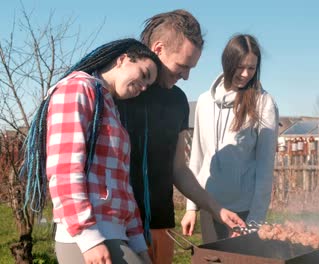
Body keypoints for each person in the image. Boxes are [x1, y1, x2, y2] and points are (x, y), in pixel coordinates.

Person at [116, 10, 245, 264]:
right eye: (182, 66)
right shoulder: (121, 94)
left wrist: (215, 208)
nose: (186, 76)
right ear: (159, 48)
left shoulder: (178, 101)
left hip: (161, 226)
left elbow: (179, 169)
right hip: (119, 228)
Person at [20, 38, 160, 263]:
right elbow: (64, 168)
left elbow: (122, 185)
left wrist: (137, 242)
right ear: (122, 59)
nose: (144, 88)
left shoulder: (108, 105)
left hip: (114, 233)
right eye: (144, 75)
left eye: (148, 86)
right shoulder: (77, 88)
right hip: (90, 238)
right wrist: (88, 237)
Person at [181, 34, 279, 243]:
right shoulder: (205, 102)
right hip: (210, 206)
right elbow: (197, 157)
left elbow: (265, 168)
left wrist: (255, 221)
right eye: (240, 66)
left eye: (251, 68)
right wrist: (191, 207)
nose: (245, 74)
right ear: (228, 61)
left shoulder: (263, 103)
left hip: (244, 211)